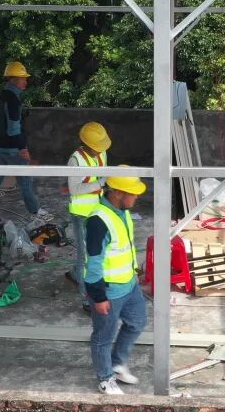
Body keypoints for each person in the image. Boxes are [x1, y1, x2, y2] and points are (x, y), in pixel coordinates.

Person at [84, 171, 147, 395]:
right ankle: (105, 378)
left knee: (137, 322)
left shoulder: (122, 211)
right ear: (118, 192)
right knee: (103, 337)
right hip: (109, 291)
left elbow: (122, 247)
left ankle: (117, 364)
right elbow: (93, 263)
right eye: (133, 193)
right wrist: (98, 296)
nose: (136, 198)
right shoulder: (98, 220)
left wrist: (134, 272)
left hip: (129, 285)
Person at [0, 61, 50, 225]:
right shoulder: (13, 101)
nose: (26, 81)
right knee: (25, 182)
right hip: (12, 149)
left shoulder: (1, 96)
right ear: (14, 79)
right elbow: (14, 129)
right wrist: (22, 148)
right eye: (23, 78)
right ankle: (35, 212)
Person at [64, 121, 112, 313]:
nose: (99, 151)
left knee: (100, 251)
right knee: (85, 256)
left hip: (98, 211)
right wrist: (99, 184)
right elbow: (74, 190)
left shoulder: (102, 152)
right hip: (81, 214)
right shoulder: (75, 160)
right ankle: (87, 298)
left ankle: (75, 275)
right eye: (96, 148)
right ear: (87, 145)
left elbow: (104, 174)